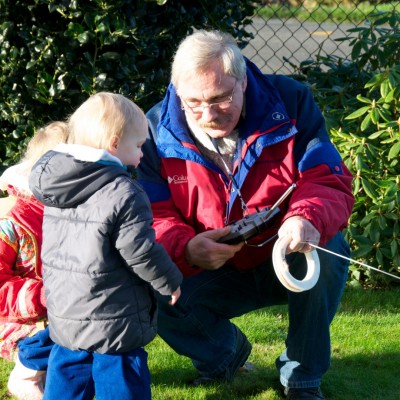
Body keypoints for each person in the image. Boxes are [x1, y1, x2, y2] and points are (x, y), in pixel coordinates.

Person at [136, 30, 355, 400]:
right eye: (194, 103)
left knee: (330, 250)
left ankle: (301, 375)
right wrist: (186, 248)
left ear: (243, 80)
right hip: (209, 266)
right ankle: (224, 356)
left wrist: (305, 217)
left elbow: (325, 177)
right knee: (149, 281)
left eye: (220, 98)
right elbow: (152, 214)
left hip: (285, 252)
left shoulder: (290, 100)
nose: (208, 114)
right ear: (176, 90)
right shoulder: (153, 130)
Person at [28, 92, 183, 400]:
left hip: (67, 311)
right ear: (114, 143)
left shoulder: (58, 187)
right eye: (138, 146)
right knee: (121, 376)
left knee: (69, 373)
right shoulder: (124, 191)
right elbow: (140, 250)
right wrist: (170, 281)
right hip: (113, 313)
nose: (142, 154)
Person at [0, 122, 69, 400]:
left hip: (61, 303)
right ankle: (26, 376)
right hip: (18, 317)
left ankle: (62, 371)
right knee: (63, 329)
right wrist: (42, 296)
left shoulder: (71, 209)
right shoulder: (12, 221)